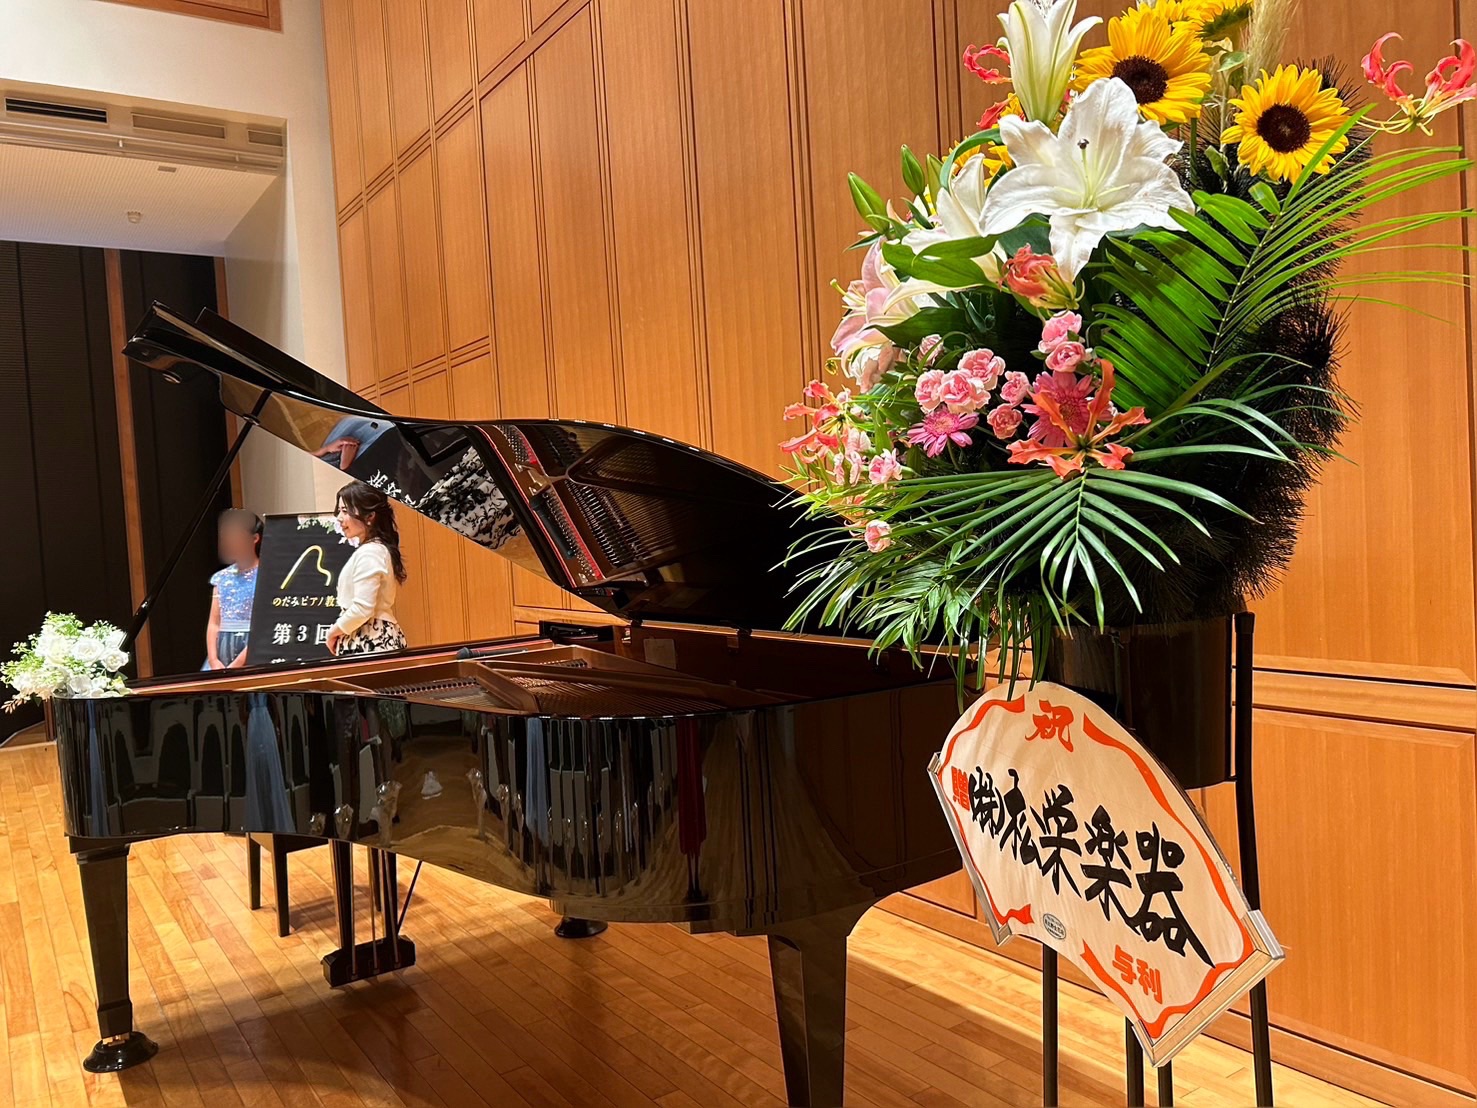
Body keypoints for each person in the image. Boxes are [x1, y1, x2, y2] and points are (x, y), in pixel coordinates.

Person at [326, 481, 407, 657]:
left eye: (345, 511)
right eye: (339, 511)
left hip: (370, 640)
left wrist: (332, 633)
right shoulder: (374, 549)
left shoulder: (371, 552)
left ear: (370, 516)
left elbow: (362, 608)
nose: (339, 518)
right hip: (370, 638)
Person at [204, 509, 262, 671]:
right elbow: (214, 623)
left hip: (252, 649)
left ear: (254, 539)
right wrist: (213, 660)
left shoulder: (265, 575)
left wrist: (237, 664)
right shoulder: (222, 577)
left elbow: (263, 625)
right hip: (222, 651)